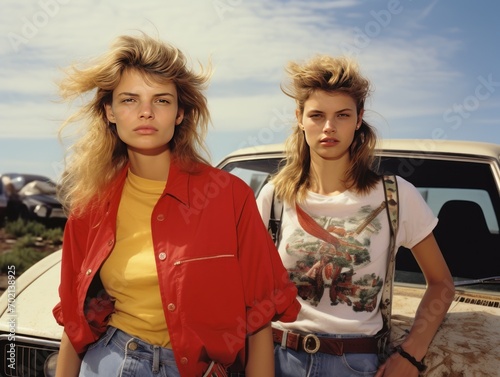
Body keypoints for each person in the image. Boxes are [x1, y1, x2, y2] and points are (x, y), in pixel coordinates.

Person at [52, 33, 300, 377]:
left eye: (162, 101)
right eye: (129, 99)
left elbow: (259, 312)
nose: (146, 112)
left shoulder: (230, 196)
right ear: (109, 112)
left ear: (180, 113)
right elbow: (75, 321)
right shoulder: (90, 207)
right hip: (112, 361)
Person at [256, 55, 455, 377]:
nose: (329, 127)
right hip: (279, 358)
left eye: (342, 115)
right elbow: (249, 288)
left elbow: (442, 284)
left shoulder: (396, 195)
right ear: (300, 118)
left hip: (355, 363)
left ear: (359, 118)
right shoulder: (275, 196)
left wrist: (411, 354)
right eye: (317, 115)